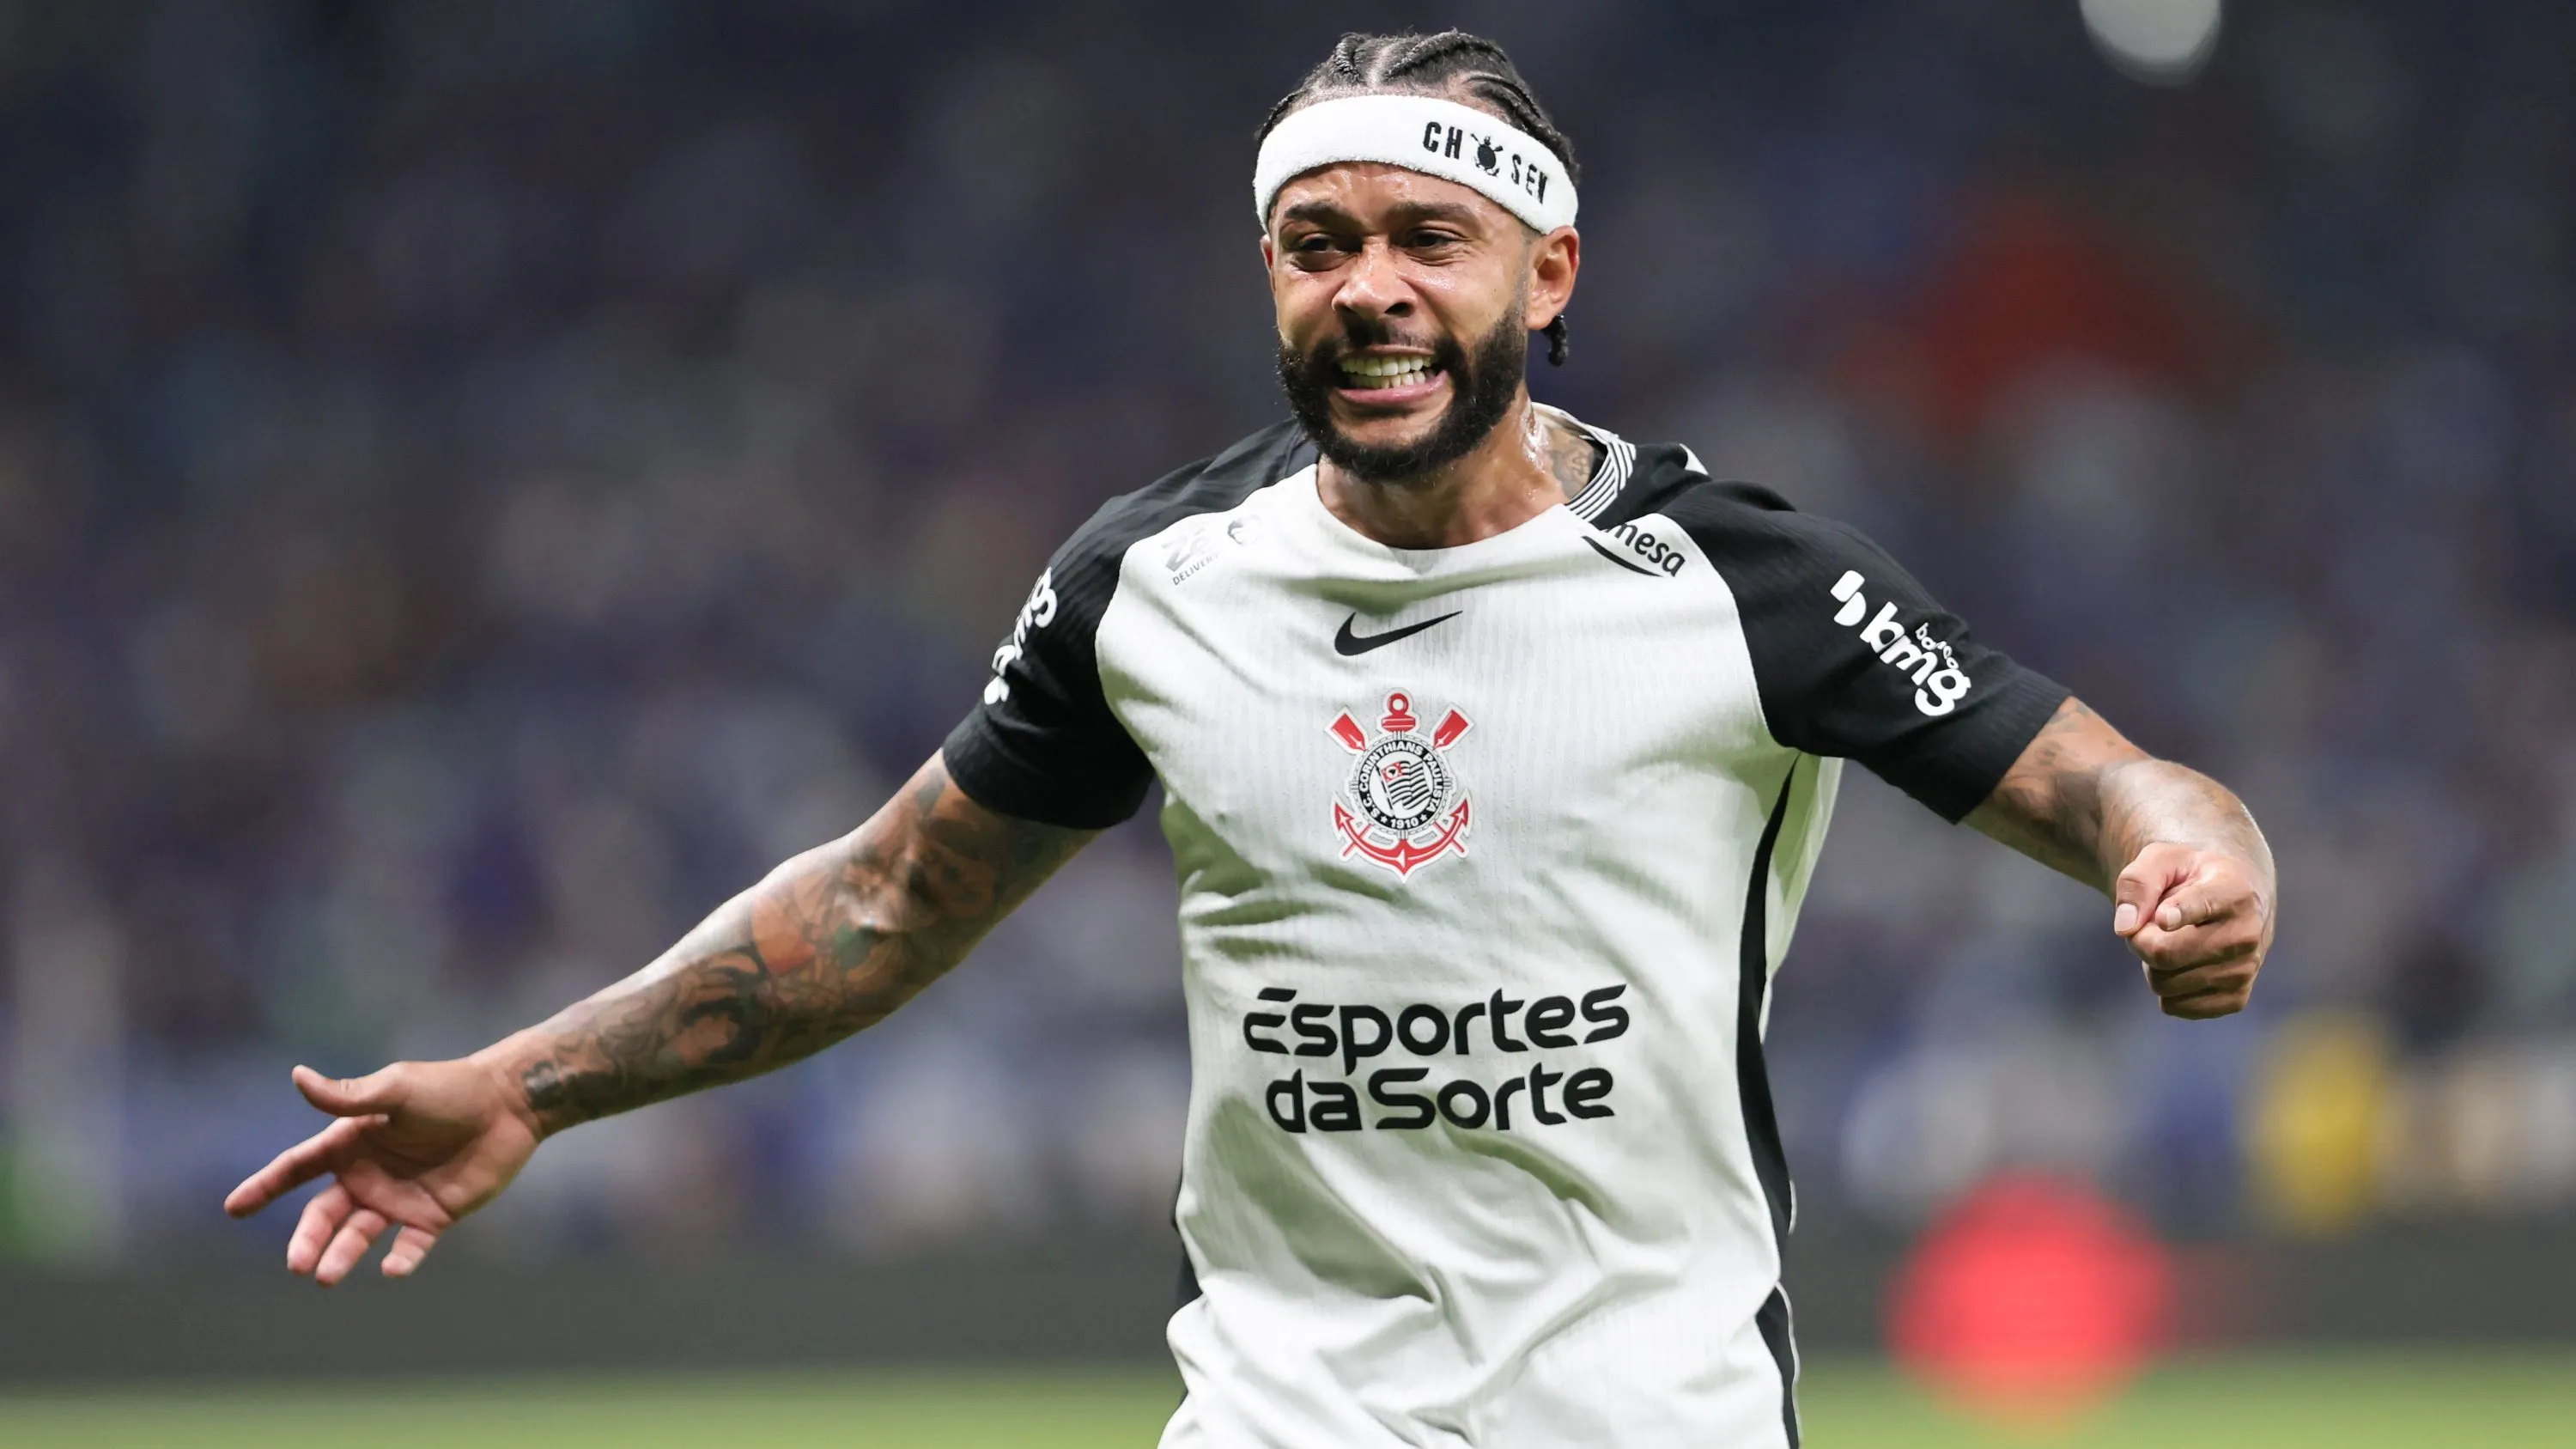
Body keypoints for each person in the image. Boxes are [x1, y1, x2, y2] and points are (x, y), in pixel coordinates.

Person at [226, 29, 2275, 1447]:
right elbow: (883, 902)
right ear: (1269, 277)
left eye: (1427, 244)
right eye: (1320, 246)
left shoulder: (1738, 581)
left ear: (1546, 275)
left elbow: (2097, 774)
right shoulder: (1156, 586)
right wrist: (524, 1085)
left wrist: (2192, 849)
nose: (1370, 295)